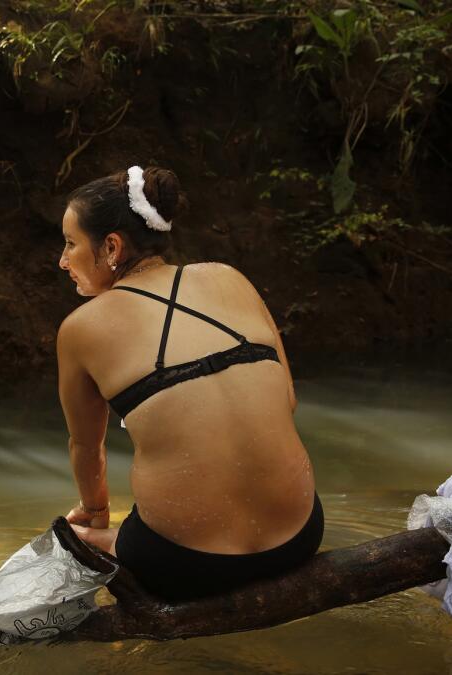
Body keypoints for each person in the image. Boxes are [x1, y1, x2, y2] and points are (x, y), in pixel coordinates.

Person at [56, 165, 322, 602]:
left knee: (78, 534)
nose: (62, 260)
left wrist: (95, 512)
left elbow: (87, 448)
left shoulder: (80, 329)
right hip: (298, 538)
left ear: (111, 247)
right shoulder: (229, 278)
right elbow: (287, 400)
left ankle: (105, 541)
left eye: (70, 244)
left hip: (183, 564)